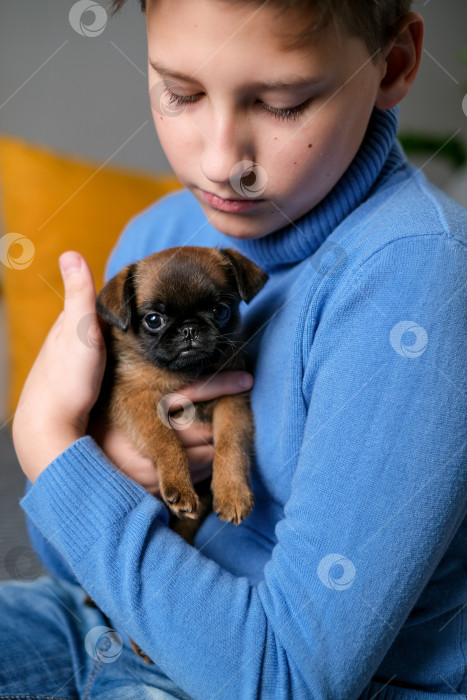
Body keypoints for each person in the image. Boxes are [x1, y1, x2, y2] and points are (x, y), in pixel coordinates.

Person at [3, 0, 467, 697]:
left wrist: (48, 440)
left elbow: (287, 680)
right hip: (106, 627)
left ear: (394, 64)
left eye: (282, 103)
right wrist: (102, 470)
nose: (221, 163)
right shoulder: (160, 234)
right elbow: (71, 568)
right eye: (179, 93)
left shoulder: (417, 278)